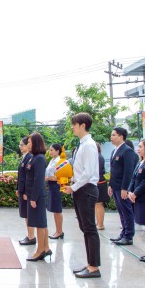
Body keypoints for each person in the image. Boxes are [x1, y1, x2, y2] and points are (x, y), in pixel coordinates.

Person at [63, 113, 101, 278]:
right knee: (85, 228)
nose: (72, 127)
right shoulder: (82, 145)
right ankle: (90, 263)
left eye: (74, 124)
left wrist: (74, 187)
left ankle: (94, 267)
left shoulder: (89, 145)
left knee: (90, 228)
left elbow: (89, 172)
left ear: (83, 125)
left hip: (86, 189)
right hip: (81, 189)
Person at [108, 127, 138, 246]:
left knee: (126, 211)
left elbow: (128, 171)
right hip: (115, 186)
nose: (111, 137)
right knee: (121, 211)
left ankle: (128, 235)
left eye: (114, 135)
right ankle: (123, 232)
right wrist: (110, 184)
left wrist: (125, 188)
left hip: (122, 187)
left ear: (121, 137)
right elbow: (114, 170)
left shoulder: (127, 151)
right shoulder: (115, 150)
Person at [25, 133, 51, 261]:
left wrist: (34, 197)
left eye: (29, 142)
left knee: (40, 223)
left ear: (36, 143)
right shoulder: (34, 157)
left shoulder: (39, 158)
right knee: (41, 222)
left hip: (37, 195)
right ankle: (46, 248)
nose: (27, 144)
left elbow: (38, 179)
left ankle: (40, 250)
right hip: (33, 194)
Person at [16, 137, 35, 245]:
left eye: (21, 145)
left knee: (28, 214)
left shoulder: (30, 157)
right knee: (24, 213)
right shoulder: (24, 157)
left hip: (26, 191)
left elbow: (29, 177)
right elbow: (20, 175)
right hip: (22, 190)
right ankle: (29, 235)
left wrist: (26, 192)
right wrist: (18, 188)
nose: (20, 147)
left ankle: (31, 237)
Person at [45, 143, 64, 240]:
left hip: (56, 186)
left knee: (57, 209)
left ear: (57, 151)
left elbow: (59, 177)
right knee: (54, 210)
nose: (50, 152)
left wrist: (47, 178)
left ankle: (60, 231)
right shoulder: (52, 160)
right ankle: (57, 230)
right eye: (49, 150)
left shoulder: (60, 161)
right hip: (51, 186)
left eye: (52, 150)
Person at [95, 142, 109, 231]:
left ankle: (101, 224)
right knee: (96, 204)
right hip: (98, 182)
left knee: (99, 204)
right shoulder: (98, 156)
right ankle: (98, 223)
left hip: (99, 182)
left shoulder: (98, 157)